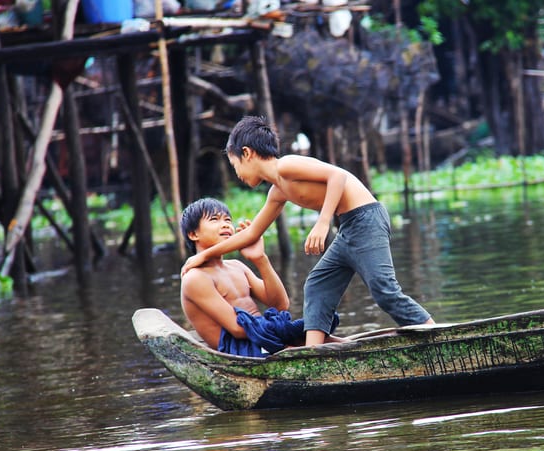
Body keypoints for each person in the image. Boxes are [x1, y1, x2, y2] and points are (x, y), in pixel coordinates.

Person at [181, 115, 434, 346]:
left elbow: (337, 176)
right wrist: (202, 256)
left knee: (384, 290)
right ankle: (314, 352)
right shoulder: (277, 191)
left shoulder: (286, 166)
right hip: (348, 226)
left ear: (246, 153)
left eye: (235, 166)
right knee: (316, 285)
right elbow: (250, 234)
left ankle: (433, 334)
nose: (237, 175)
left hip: (366, 219)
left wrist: (323, 223)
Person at [179, 197, 338, 357]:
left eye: (228, 219)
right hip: (240, 350)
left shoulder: (237, 266)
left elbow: (281, 304)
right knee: (309, 336)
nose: (226, 224)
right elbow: (238, 329)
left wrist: (260, 259)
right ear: (193, 234)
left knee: (322, 331)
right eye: (214, 219)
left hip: (263, 337)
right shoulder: (195, 277)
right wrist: (282, 330)